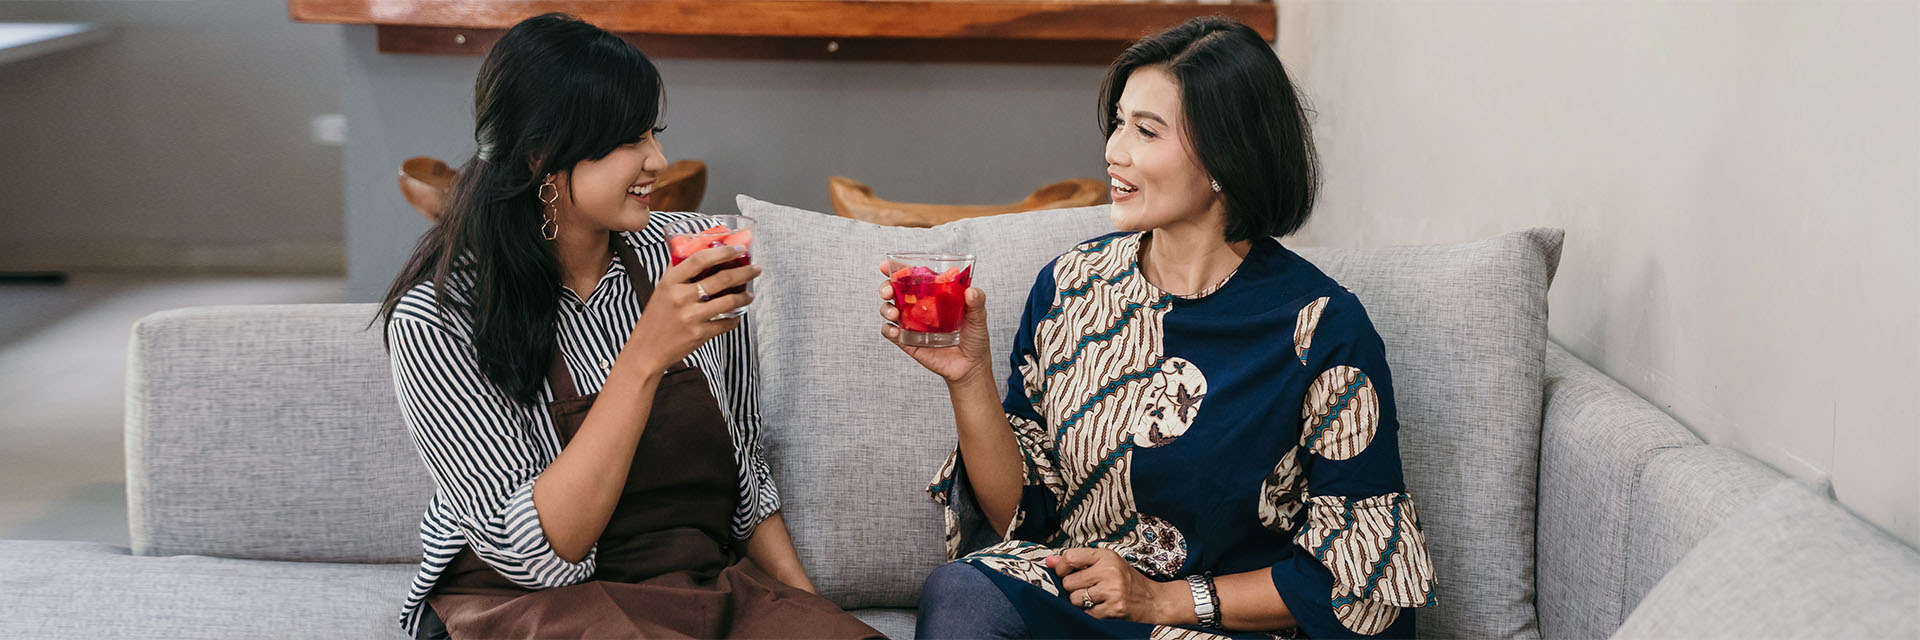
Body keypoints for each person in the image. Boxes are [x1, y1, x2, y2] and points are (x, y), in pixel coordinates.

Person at [884, 16, 1437, 640]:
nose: (1114, 151)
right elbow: (1023, 514)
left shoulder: (1323, 329)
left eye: (1146, 130)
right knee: (963, 591)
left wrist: (1163, 600)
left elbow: (1361, 582)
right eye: (1118, 122)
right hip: (1086, 610)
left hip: (1219, 626)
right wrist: (969, 377)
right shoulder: (1071, 286)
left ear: (1227, 156)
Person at [378, 13, 879, 639]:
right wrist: (645, 357)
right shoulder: (440, 316)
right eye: (628, 140)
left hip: (691, 583)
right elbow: (539, 559)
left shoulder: (692, 252)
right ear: (540, 154)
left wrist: (812, 608)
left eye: (653, 134)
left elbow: (744, 465)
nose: (657, 161)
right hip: (521, 603)